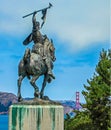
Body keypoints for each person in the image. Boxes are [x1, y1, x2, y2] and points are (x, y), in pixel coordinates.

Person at [23, 12, 55, 79]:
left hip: (34, 48)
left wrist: (44, 38)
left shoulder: (39, 33)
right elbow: (34, 22)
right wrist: (34, 16)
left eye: (38, 26)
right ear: (36, 26)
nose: (39, 27)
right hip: (39, 48)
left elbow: (42, 39)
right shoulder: (35, 31)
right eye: (38, 25)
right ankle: (49, 71)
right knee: (46, 57)